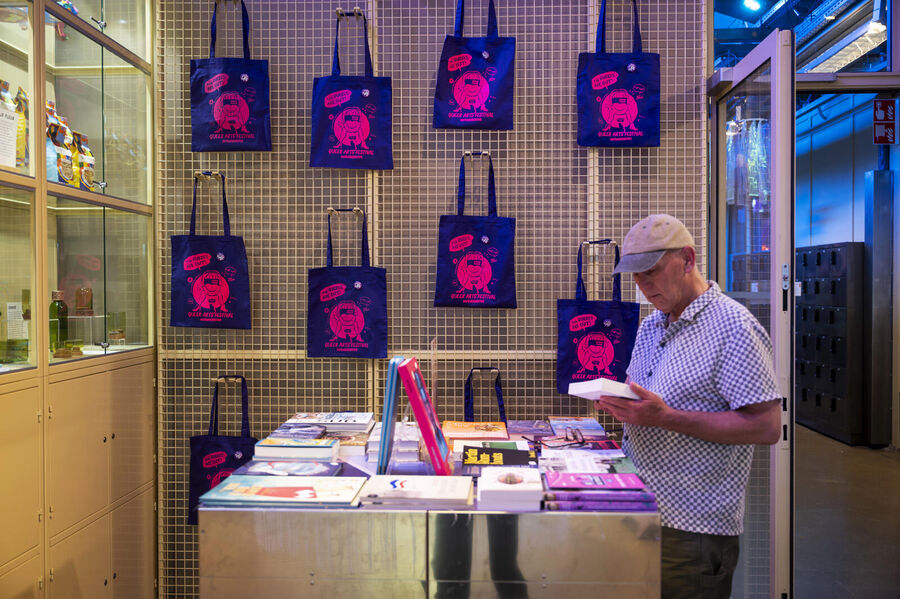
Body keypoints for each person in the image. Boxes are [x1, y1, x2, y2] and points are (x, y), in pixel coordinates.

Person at [593, 214, 782, 599]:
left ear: (688, 260)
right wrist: (623, 407)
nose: (643, 286)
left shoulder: (734, 328)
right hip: (638, 511)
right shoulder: (651, 326)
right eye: (635, 277)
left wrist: (666, 418)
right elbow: (645, 403)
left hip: (693, 528)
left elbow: (766, 427)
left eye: (652, 272)